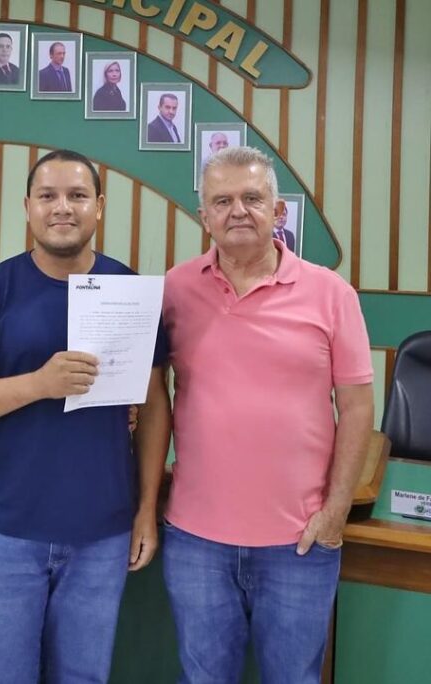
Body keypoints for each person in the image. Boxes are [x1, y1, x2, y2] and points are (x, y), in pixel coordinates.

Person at [0, 149, 171, 683]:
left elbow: (155, 406)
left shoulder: (131, 293)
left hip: (102, 536)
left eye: (78, 195)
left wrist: (146, 508)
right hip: (5, 533)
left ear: (99, 207)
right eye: (49, 196)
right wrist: (39, 384)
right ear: (28, 207)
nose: (63, 208)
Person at [162, 146, 374, 683]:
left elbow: (356, 408)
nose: (238, 211)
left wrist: (335, 514)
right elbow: (144, 390)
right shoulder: (174, 290)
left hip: (299, 541)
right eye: (222, 200)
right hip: (195, 542)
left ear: (278, 212)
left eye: (252, 198)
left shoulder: (332, 295)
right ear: (203, 215)